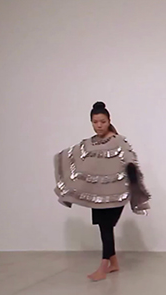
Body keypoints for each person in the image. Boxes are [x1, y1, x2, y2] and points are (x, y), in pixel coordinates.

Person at [54, 101, 151, 282]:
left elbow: (129, 155)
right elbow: (71, 156)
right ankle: (113, 262)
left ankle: (103, 266)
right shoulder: (88, 144)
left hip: (117, 193)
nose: (99, 125)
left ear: (109, 121)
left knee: (106, 227)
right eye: (95, 122)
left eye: (102, 122)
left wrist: (131, 167)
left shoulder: (118, 140)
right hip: (96, 195)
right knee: (103, 227)